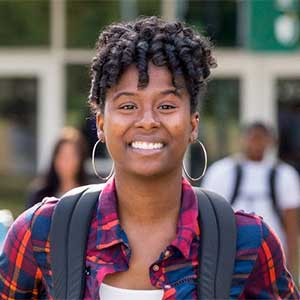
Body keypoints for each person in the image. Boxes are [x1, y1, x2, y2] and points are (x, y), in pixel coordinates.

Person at [0, 17, 299, 299]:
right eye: (128, 106)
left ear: (193, 124)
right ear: (101, 124)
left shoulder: (246, 243)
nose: (147, 121)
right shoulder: (43, 233)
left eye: (167, 106)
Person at [202, 121, 300, 282]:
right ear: (242, 139)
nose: (256, 143)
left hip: (272, 257)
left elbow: (291, 225)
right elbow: (209, 219)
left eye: (261, 138)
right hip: (231, 255)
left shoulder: (285, 175)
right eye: (252, 137)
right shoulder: (221, 171)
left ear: (271, 142)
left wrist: (291, 269)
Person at [26, 126, 89, 208]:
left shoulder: (89, 195)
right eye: (62, 156)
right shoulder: (39, 195)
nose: (67, 161)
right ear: (54, 158)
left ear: (81, 158)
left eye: (72, 156)